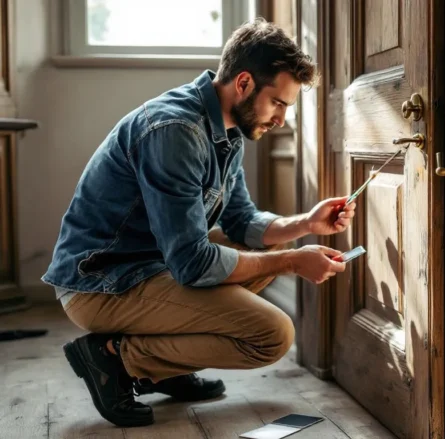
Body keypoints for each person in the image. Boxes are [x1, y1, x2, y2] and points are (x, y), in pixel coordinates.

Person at [41, 18, 355, 428]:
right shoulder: (177, 131)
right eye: (278, 103)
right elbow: (193, 262)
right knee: (273, 335)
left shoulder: (228, 130)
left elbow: (242, 222)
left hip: (153, 268)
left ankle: (166, 367)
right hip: (103, 284)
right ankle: (116, 358)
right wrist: (293, 262)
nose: (281, 119)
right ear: (243, 83)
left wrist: (305, 223)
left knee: (259, 249)